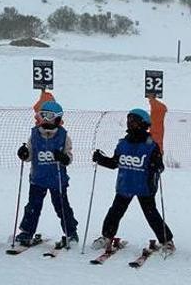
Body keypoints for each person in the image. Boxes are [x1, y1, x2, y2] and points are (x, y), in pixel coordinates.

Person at [91, 108, 174, 252]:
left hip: (144, 187)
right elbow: (114, 163)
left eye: (133, 121)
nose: (130, 124)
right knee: (115, 212)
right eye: (129, 121)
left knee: (151, 214)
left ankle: (167, 241)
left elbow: (160, 167)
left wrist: (155, 165)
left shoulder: (151, 146)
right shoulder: (123, 144)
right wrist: (100, 159)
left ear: (143, 124)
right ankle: (106, 236)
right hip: (126, 185)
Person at [14, 101, 79, 247]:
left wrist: (63, 158)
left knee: (62, 206)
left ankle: (71, 232)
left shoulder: (63, 136)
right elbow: (30, 155)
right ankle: (26, 231)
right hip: (38, 179)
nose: (45, 119)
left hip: (57, 180)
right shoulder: (35, 134)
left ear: (57, 118)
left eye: (49, 116)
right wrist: (24, 154)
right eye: (42, 115)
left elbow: (68, 157)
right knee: (32, 206)